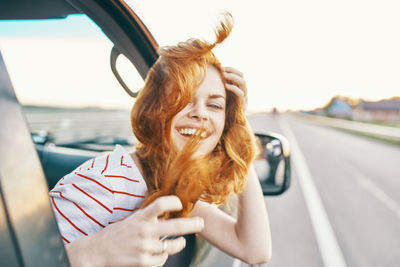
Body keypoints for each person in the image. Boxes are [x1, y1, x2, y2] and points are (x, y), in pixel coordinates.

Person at [50, 12, 271, 266]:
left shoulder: (171, 186)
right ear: (155, 110)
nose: (200, 113)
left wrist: (240, 126)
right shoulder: (107, 182)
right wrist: (94, 251)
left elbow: (254, 250)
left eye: (215, 106)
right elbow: (18, 253)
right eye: (184, 98)